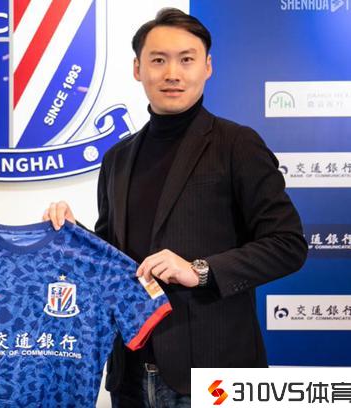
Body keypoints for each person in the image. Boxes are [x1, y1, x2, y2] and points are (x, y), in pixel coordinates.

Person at [44, 8, 307, 408]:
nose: (172, 73)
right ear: (137, 69)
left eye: (186, 60)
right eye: (158, 60)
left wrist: (198, 271)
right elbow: (113, 258)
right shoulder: (117, 157)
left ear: (207, 67)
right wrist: (72, 234)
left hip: (214, 373)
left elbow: (287, 245)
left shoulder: (237, 144)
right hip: (130, 372)